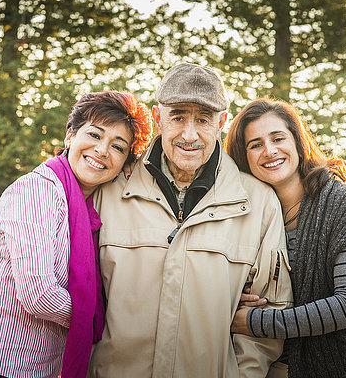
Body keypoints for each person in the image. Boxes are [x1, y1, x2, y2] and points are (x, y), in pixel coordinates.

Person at [88, 63, 293, 377]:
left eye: (203, 119)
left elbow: (271, 310)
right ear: (158, 119)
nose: (189, 134)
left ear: (221, 123)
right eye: (178, 116)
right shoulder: (109, 190)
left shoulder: (259, 203)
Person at [0, 91, 153, 378]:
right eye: (95, 135)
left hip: (38, 367)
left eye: (118, 147)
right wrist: (104, 319)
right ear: (70, 135)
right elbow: (39, 295)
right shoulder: (38, 190)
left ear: (124, 164)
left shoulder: (88, 212)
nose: (102, 150)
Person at [225, 98, 346, 377]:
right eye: (255, 144)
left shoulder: (344, 203)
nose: (269, 151)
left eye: (278, 138)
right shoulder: (244, 216)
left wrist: (252, 321)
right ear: (243, 157)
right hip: (269, 368)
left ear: (298, 142)